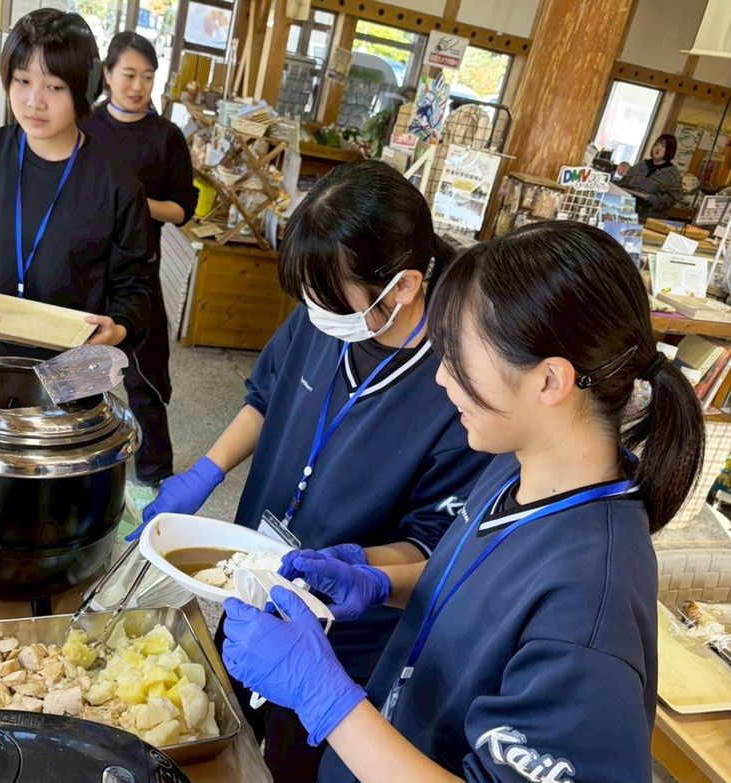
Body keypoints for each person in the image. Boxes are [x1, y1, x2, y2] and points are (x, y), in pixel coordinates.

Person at [221, 221, 706, 783]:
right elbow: (489, 593)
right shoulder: (516, 466)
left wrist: (324, 696)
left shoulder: (591, 607)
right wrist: (384, 581)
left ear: (549, 380)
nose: (442, 379)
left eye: (460, 360)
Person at [143, 160, 492, 781]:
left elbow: (428, 546)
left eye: (328, 300)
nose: (313, 311)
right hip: (251, 575)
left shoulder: (461, 387)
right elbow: (265, 397)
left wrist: (353, 573)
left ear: (405, 287)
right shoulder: (327, 307)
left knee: (290, 760)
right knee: (219, 731)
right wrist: (206, 471)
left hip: (341, 639)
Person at [0, 10, 152, 372]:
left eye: (54, 87)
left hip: (69, 371)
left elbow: (135, 287)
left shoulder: (118, 185)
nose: (34, 100)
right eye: (22, 80)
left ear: (84, 90)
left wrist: (117, 327)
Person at [83, 32, 198, 484]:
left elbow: (183, 209)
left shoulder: (166, 137)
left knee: (145, 382)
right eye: (129, 75)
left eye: (148, 77)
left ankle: (154, 476)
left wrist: (133, 201)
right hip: (86, 272)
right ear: (108, 75)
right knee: (80, 375)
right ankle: (82, 466)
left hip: (140, 272)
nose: (138, 86)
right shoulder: (85, 127)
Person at [617, 134, 682, 219]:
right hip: (626, 209)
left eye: (663, 146)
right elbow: (623, 183)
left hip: (650, 216)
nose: (658, 148)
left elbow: (673, 199)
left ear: (670, 150)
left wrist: (654, 199)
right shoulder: (641, 165)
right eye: (656, 144)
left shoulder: (673, 174)